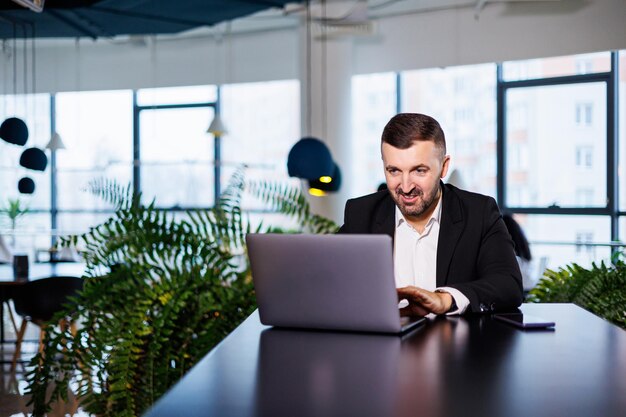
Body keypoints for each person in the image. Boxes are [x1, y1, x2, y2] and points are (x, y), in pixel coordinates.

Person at [338, 113, 523, 316]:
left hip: (456, 346)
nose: (406, 187)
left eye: (419, 171)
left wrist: (446, 299)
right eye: (394, 171)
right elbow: (328, 280)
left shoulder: (479, 212)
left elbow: (508, 284)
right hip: (381, 344)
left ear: (443, 166)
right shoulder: (360, 214)